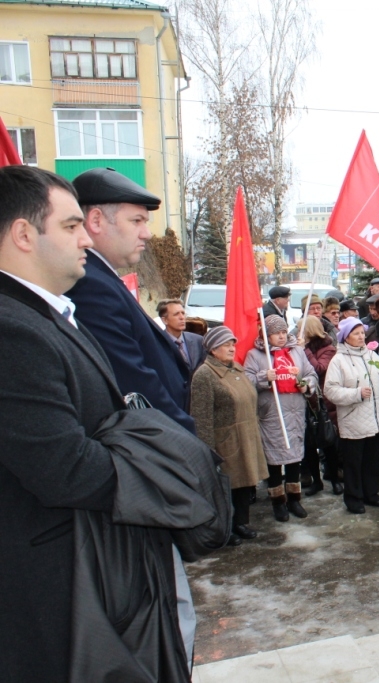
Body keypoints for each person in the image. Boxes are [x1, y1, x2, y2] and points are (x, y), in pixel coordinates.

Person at [1, 165, 222, 682]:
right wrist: (168, 476)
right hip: (57, 577)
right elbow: (63, 466)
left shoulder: (45, 314)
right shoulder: (13, 329)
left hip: (89, 556)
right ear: (23, 234)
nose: (86, 238)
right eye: (72, 226)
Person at [66, 166, 198, 661]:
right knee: (165, 618)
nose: (147, 233)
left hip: (143, 469)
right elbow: (137, 384)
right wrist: (190, 452)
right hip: (143, 467)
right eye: (138, 221)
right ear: (96, 220)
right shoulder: (91, 286)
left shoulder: (104, 279)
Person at [191, 326, 269, 545]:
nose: (231, 348)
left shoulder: (236, 368)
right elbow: (201, 416)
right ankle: (226, 528)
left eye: (232, 343)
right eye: (226, 344)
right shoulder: (204, 375)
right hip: (225, 441)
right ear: (213, 349)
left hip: (246, 435)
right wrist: (208, 452)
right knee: (227, 487)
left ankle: (241, 523)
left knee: (244, 484)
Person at [245, 314, 318, 522]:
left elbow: (311, 374)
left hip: (295, 412)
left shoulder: (297, 351)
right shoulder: (256, 355)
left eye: (284, 332)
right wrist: (262, 378)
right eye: (276, 333)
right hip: (272, 414)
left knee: (295, 457)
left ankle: (295, 499)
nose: (281, 336)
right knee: (275, 460)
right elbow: (246, 380)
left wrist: (306, 385)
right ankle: (278, 501)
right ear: (266, 335)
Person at [324, 316, 379, 514]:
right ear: (346, 337)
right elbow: (330, 390)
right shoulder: (338, 360)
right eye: (356, 333)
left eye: (362, 332)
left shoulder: (373, 356)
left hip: (375, 419)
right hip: (353, 420)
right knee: (354, 462)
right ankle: (354, 498)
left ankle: (371, 493)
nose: (361, 336)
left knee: (372, 460)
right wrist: (355, 394)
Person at [302, 316, 340, 495]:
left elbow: (320, 369)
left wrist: (305, 351)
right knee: (309, 444)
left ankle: (334, 479)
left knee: (328, 442)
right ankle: (316, 481)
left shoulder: (328, 348)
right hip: (306, 401)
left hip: (324, 402)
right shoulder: (300, 349)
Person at [160, 298, 207, 376]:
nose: (182, 317)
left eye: (183, 313)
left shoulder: (198, 340)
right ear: (165, 320)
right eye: (176, 314)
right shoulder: (158, 343)